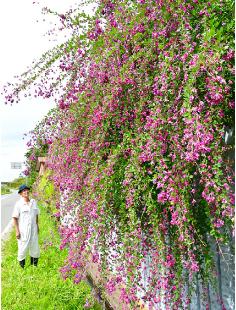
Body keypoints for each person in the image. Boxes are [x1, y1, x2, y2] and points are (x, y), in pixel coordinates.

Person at [12, 184, 40, 268]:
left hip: (34, 229)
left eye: (27, 190)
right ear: (20, 194)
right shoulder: (19, 204)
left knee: (35, 247)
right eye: (24, 191)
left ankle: (34, 266)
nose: (26, 192)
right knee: (22, 248)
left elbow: (36, 214)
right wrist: (17, 231)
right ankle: (22, 268)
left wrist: (37, 225)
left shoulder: (33, 202)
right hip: (23, 230)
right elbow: (14, 218)